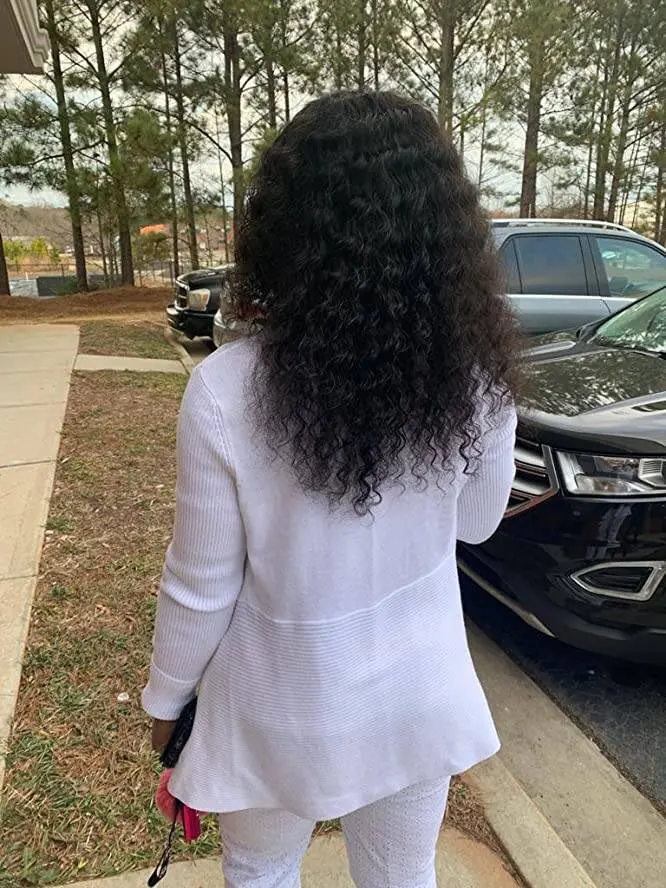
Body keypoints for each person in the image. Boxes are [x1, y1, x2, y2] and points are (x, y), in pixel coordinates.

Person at [143, 90, 521, 888]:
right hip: (417, 694)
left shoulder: (225, 390)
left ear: (284, 228)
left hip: (275, 703)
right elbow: (478, 524)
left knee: (262, 871)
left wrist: (165, 702)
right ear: (448, 231)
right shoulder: (477, 379)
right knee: (401, 875)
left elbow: (201, 586)